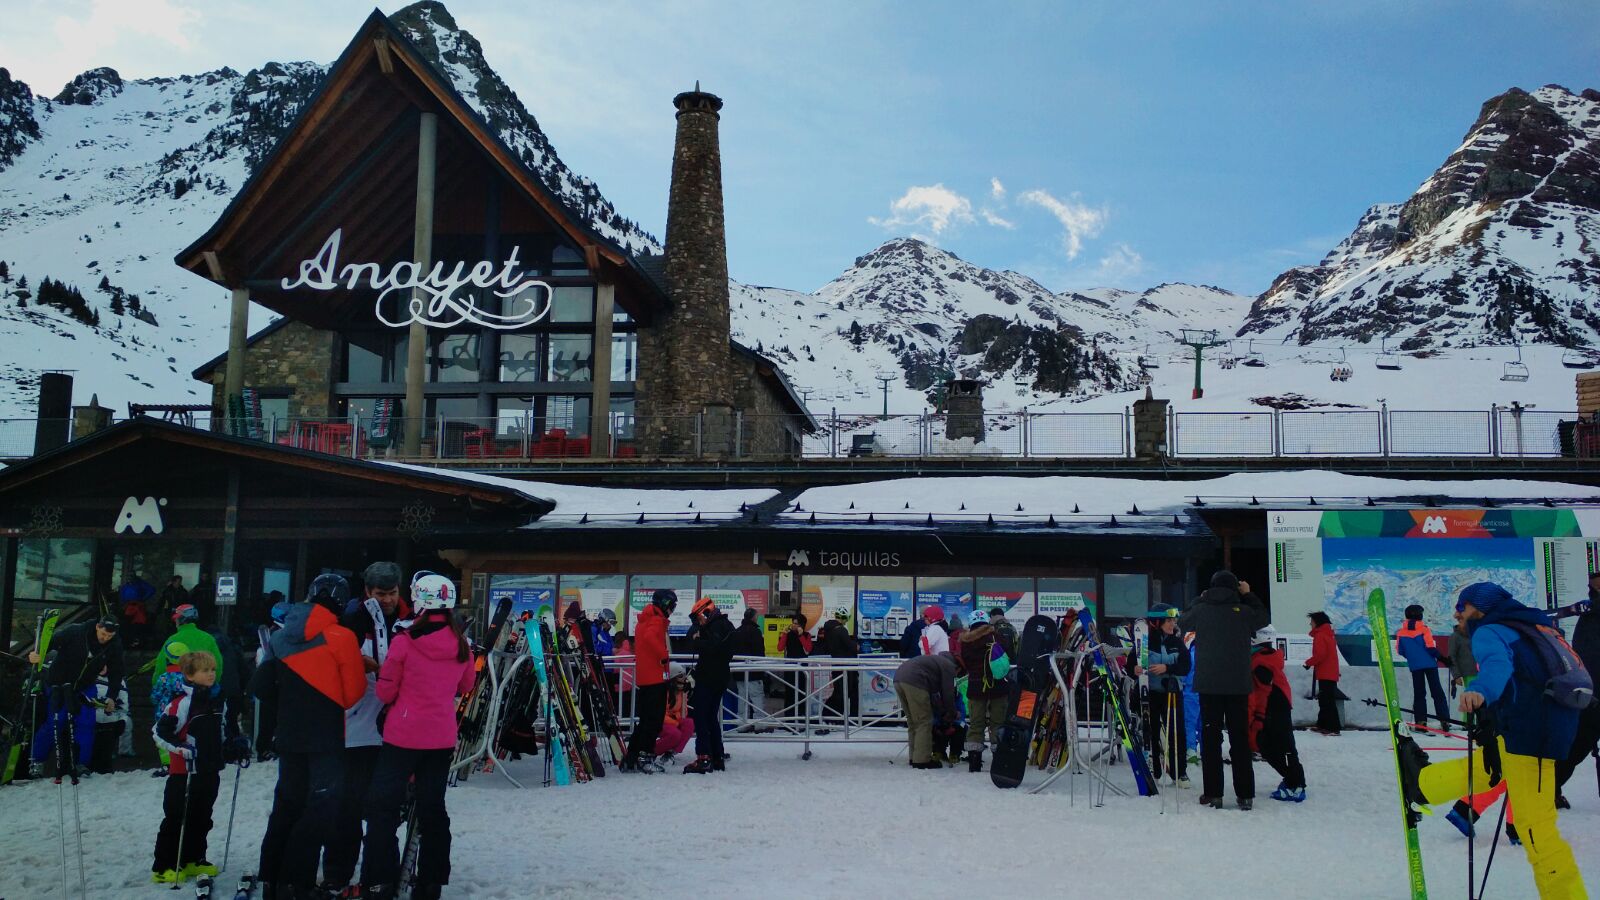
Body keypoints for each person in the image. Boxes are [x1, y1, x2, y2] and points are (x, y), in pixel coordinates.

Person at [1398, 582, 1587, 899]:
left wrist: (1480, 692)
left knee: (1536, 828)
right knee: (1493, 767)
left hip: (1531, 736)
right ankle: (1424, 783)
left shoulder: (1490, 630)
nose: (1457, 614)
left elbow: (1497, 668)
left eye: (1462, 607)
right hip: (1550, 726)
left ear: (1477, 607)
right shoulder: (1538, 625)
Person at [358, 573, 475, 900]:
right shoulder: (461, 643)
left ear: (419, 600)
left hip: (403, 736)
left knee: (382, 807)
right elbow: (466, 687)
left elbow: (385, 692)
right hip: (441, 737)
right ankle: (430, 882)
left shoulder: (405, 641)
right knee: (432, 808)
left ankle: (378, 882)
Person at [250, 574, 367, 899]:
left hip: (288, 735)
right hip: (325, 738)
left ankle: (271, 879)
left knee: (286, 803)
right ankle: (296, 881)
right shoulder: (342, 637)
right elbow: (352, 693)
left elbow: (260, 687)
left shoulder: (281, 636)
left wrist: (288, 703)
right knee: (320, 806)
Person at [321, 561, 407, 897]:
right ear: (368, 592)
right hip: (354, 727)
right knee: (346, 806)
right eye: (380, 593)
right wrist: (363, 663)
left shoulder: (408, 620)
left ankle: (380, 875)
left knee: (383, 810)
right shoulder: (352, 619)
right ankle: (337, 871)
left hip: (393, 730)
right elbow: (334, 659)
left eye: (392, 593)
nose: (386, 599)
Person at [150, 651, 247, 884]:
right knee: (176, 817)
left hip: (209, 769)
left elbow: (221, 732)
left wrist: (233, 747)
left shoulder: (216, 702)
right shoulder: (181, 703)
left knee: (202, 816)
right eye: (205, 670)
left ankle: (194, 858)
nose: (211, 674)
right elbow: (159, 732)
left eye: (212, 669)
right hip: (184, 772)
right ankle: (164, 865)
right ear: (190, 675)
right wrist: (180, 748)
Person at [1178, 570, 1267, 810]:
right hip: (1238, 685)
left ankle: (1214, 794)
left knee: (1210, 738)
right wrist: (1248, 595)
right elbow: (1263, 618)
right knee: (1239, 739)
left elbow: (1182, 621)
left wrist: (1201, 597)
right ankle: (1245, 795)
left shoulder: (1202, 608)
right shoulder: (1244, 612)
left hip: (1209, 685)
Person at [28, 617, 123, 779]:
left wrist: (112, 697)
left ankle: (81, 764)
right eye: (103, 633)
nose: (105, 638)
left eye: (109, 636)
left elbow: (117, 671)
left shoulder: (114, 645)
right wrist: (36, 654)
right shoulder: (76, 631)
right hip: (59, 683)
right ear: (97, 627)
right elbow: (50, 642)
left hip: (84, 686)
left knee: (86, 723)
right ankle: (37, 761)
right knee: (56, 723)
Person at [1248, 626, 1306, 802]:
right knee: (1278, 746)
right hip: (1278, 705)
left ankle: (1295, 783)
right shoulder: (1265, 656)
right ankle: (1293, 780)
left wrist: (1257, 717)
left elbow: (1263, 691)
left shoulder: (1260, 661)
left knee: (1277, 746)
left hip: (1273, 707)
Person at [1554, 574, 1597, 805]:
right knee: (1577, 746)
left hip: (1590, 692)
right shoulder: (1590, 613)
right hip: (1592, 694)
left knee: (1576, 746)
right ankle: (1551, 789)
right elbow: (1585, 655)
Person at [1137, 604, 1191, 786]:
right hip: (1151, 694)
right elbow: (1132, 665)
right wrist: (1135, 669)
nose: (1172, 624)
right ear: (1157, 622)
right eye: (1168, 620)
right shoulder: (1145, 641)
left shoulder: (1176, 642)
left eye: (1173, 620)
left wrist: (1167, 668)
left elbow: (1185, 667)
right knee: (1151, 732)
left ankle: (1179, 771)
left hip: (1173, 693)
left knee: (1176, 733)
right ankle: (1155, 769)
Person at [622, 589, 674, 773]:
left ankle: (632, 756)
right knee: (654, 721)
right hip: (655, 678)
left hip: (645, 678)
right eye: (672, 606)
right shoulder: (656, 621)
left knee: (645, 721)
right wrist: (664, 656)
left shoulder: (644, 620)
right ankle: (645, 756)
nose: (672, 610)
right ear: (665, 604)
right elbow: (651, 638)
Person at [682, 597, 735, 773]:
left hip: (710, 677)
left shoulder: (717, 627)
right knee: (710, 717)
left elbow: (713, 648)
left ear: (706, 612)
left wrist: (697, 641)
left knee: (702, 717)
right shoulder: (724, 625)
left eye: (698, 617)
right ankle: (716, 756)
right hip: (719, 676)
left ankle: (704, 756)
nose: (698, 621)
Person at [958, 608, 1014, 772]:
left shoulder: (966, 642)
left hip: (975, 687)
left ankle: (974, 762)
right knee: (998, 723)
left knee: (976, 724)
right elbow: (1008, 655)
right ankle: (999, 761)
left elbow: (966, 663)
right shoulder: (997, 637)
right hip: (998, 686)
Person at [894, 651, 964, 769]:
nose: (956, 676)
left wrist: (943, 712)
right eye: (958, 674)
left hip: (898, 678)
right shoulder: (948, 666)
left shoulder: (935, 662)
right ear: (956, 667)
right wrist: (952, 713)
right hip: (915, 681)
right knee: (924, 722)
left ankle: (914, 757)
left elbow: (935, 698)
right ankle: (922, 760)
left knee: (913, 722)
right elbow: (948, 694)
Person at [1397, 604, 1451, 732]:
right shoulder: (1424, 629)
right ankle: (1444, 721)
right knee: (1437, 692)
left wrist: (1413, 656)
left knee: (1419, 693)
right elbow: (1430, 647)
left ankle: (1421, 722)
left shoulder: (1401, 633)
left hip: (1415, 666)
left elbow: (1400, 650)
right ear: (1418, 615)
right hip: (1430, 665)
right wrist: (1442, 658)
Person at [1304, 611, 1343, 735]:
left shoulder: (1320, 635)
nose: (1310, 624)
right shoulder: (1328, 634)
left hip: (1326, 673)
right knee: (1324, 699)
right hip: (1330, 672)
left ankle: (1333, 727)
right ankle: (1323, 724)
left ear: (1317, 622)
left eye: (1312, 621)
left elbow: (1320, 654)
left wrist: (1308, 663)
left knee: (1327, 701)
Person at [819, 609, 860, 721]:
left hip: (836, 664)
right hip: (846, 666)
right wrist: (856, 646)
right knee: (845, 693)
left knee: (839, 692)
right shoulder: (841, 630)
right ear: (843, 618)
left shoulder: (828, 630)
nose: (847, 621)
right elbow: (851, 646)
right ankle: (831, 716)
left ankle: (830, 716)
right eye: (846, 618)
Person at [730, 608, 766, 719]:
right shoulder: (755, 632)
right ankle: (759, 724)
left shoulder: (737, 631)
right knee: (757, 697)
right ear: (754, 617)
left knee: (742, 698)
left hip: (739, 671)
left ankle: (742, 723)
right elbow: (759, 651)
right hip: (753, 671)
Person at [778, 613, 812, 717]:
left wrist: (801, 636)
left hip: (802, 668)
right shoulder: (788, 634)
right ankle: (789, 717)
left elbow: (808, 649)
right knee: (789, 693)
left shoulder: (806, 635)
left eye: (796, 623)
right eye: (793, 623)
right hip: (790, 667)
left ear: (802, 625)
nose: (793, 625)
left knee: (802, 693)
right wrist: (783, 634)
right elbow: (780, 648)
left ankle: (801, 717)